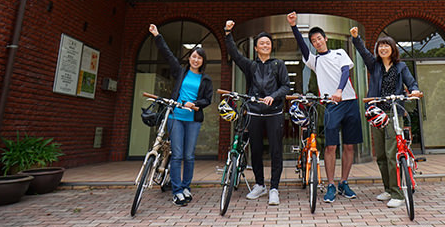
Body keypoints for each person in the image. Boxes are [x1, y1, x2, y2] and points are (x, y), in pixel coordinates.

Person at [286, 11, 362, 203]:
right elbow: (302, 47)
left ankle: (344, 182)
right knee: (330, 146)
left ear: (325, 38)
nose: (317, 42)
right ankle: (330, 185)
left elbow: (345, 72)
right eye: (314, 41)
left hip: (349, 102)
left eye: (319, 38)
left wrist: (339, 90)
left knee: (349, 145)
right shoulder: (314, 61)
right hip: (330, 105)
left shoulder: (340, 53)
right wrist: (294, 26)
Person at [350, 26, 421, 208]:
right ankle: (388, 189)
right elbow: (363, 52)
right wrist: (356, 38)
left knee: (392, 154)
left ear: (392, 49)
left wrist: (413, 91)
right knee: (381, 154)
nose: (383, 49)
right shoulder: (375, 66)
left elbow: (411, 83)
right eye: (380, 46)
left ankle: (398, 193)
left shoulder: (401, 66)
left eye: (386, 46)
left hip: (394, 112)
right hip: (377, 113)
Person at [224, 20, 289, 206]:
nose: (265, 45)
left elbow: (286, 86)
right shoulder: (251, 66)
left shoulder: (278, 64)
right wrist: (228, 33)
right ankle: (260, 185)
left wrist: (273, 96)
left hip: (274, 112)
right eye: (262, 43)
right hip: (254, 113)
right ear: (256, 48)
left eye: (268, 43)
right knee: (257, 150)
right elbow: (235, 55)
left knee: (276, 150)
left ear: (271, 47)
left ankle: (274, 188)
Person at [149, 23, 213, 207]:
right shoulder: (180, 72)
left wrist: (196, 104)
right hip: (175, 117)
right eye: (193, 56)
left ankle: (186, 187)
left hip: (193, 120)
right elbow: (168, 54)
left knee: (189, 155)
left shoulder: (205, 79)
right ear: (189, 58)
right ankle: (176, 191)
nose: (196, 60)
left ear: (203, 61)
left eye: (199, 58)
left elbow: (207, 99)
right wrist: (156, 35)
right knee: (177, 155)